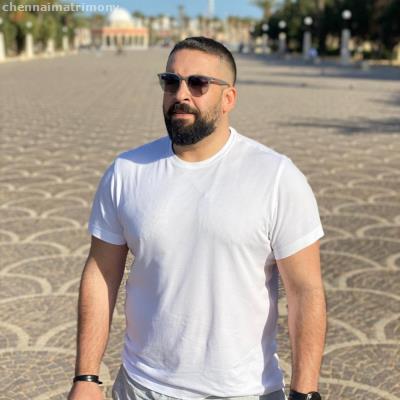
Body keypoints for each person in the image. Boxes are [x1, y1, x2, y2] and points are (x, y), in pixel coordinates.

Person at [68, 37, 326, 400]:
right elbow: (101, 273)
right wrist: (86, 377)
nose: (181, 94)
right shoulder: (127, 171)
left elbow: (305, 291)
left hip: (245, 391)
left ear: (228, 98)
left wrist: (305, 393)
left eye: (198, 83)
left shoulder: (276, 177)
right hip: (141, 387)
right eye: (171, 82)